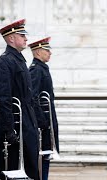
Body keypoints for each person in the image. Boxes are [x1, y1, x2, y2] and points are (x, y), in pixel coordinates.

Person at [0, 19, 39, 180]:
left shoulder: (18, 59)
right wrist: (9, 129)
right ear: (11, 38)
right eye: (22, 35)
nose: (26, 39)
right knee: (15, 170)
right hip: (15, 123)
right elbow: (4, 98)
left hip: (26, 121)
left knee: (31, 167)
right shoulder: (5, 61)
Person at [28, 37, 59, 180]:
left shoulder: (41, 68)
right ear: (38, 52)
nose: (50, 53)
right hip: (43, 122)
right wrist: (42, 120)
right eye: (47, 50)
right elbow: (33, 97)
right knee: (42, 157)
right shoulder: (36, 70)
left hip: (47, 120)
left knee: (46, 156)